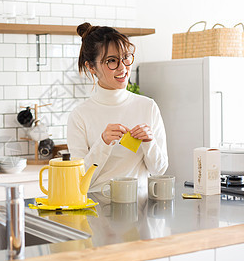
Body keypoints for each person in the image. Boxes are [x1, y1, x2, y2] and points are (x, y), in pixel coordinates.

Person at [67, 22, 168, 193]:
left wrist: (149, 143)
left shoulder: (147, 106)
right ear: (91, 67)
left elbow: (159, 170)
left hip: (140, 208)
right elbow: (79, 180)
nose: (123, 68)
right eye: (111, 61)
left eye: (126, 58)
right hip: (96, 210)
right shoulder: (80, 115)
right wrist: (103, 143)